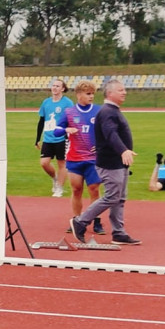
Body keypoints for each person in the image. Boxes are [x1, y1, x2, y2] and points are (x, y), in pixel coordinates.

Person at [70, 79, 139, 245]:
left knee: (119, 198)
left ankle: (118, 233)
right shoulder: (108, 111)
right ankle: (80, 222)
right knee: (112, 197)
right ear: (110, 93)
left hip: (119, 163)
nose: (125, 92)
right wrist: (123, 150)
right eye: (121, 90)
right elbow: (110, 134)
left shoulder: (112, 110)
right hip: (110, 163)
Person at [55, 80, 105, 235]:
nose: (91, 97)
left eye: (92, 94)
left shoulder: (99, 111)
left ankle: (96, 221)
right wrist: (66, 129)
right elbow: (56, 131)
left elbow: (107, 132)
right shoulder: (69, 112)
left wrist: (101, 144)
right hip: (75, 158)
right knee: (76, 190)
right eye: (88, 94)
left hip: (93, 159)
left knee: (94, 189)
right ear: (79, 95)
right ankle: (77, 221)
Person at [35, 78, 74, 197]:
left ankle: (59, 188)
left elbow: (72, 119)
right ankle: (55, 178)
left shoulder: (67, 103)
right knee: (44, 163)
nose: (55, 88)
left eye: (58, 86)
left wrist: (70, 134)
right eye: (53, 85)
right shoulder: (46, 102)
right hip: (48, 138)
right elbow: (41, 120)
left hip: (62, 138)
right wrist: (37, 139)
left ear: (63, 89)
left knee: (61, 163)